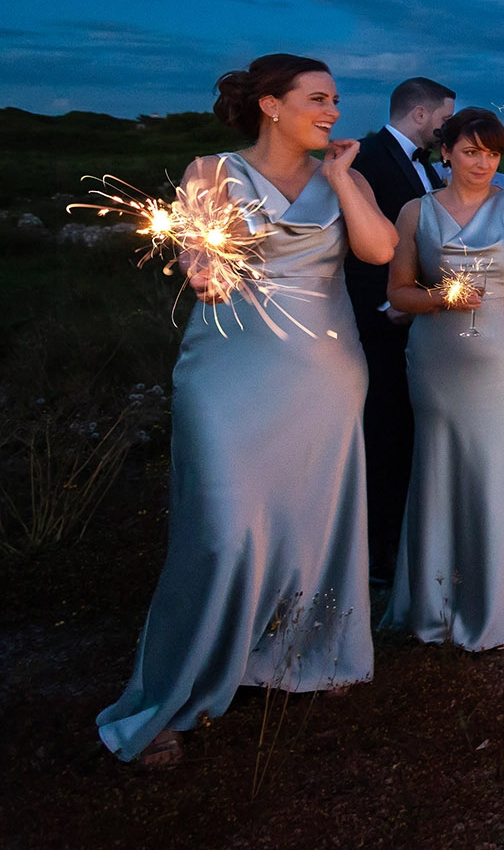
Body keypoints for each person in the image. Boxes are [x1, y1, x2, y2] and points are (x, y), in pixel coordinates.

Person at [98, 55, 398, 764]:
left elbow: (379, 248)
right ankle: (172, 690)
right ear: (270, 105)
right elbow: (198, 260)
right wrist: (198, 267)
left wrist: (339, 180)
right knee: (223, 529)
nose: (331, 111)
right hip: (230, 373)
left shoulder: (343, 177)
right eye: (317, 99)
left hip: (325, 374)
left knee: (314, 517)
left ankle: (306, 654)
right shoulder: (211, 171)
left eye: (335, 100)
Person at [378, 108, 504, 650]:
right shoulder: (416, 211)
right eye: (472, 151)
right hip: (439, 359)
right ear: (448, 151)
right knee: (442, 467)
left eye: (493, 153)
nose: (483, 163)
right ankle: (439, 599)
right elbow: (398, 294)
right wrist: (439, 297)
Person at [346, 76, 456, 582]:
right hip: (376, 317)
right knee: (382, 428)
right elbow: (352, 240)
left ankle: (404, 539)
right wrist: (380, 305)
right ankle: (377, 551)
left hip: (414, 318)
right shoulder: (367, 158)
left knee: (405, 427)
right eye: (445, 118)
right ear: (420, 114)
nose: (447, 127)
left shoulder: (425, 165)